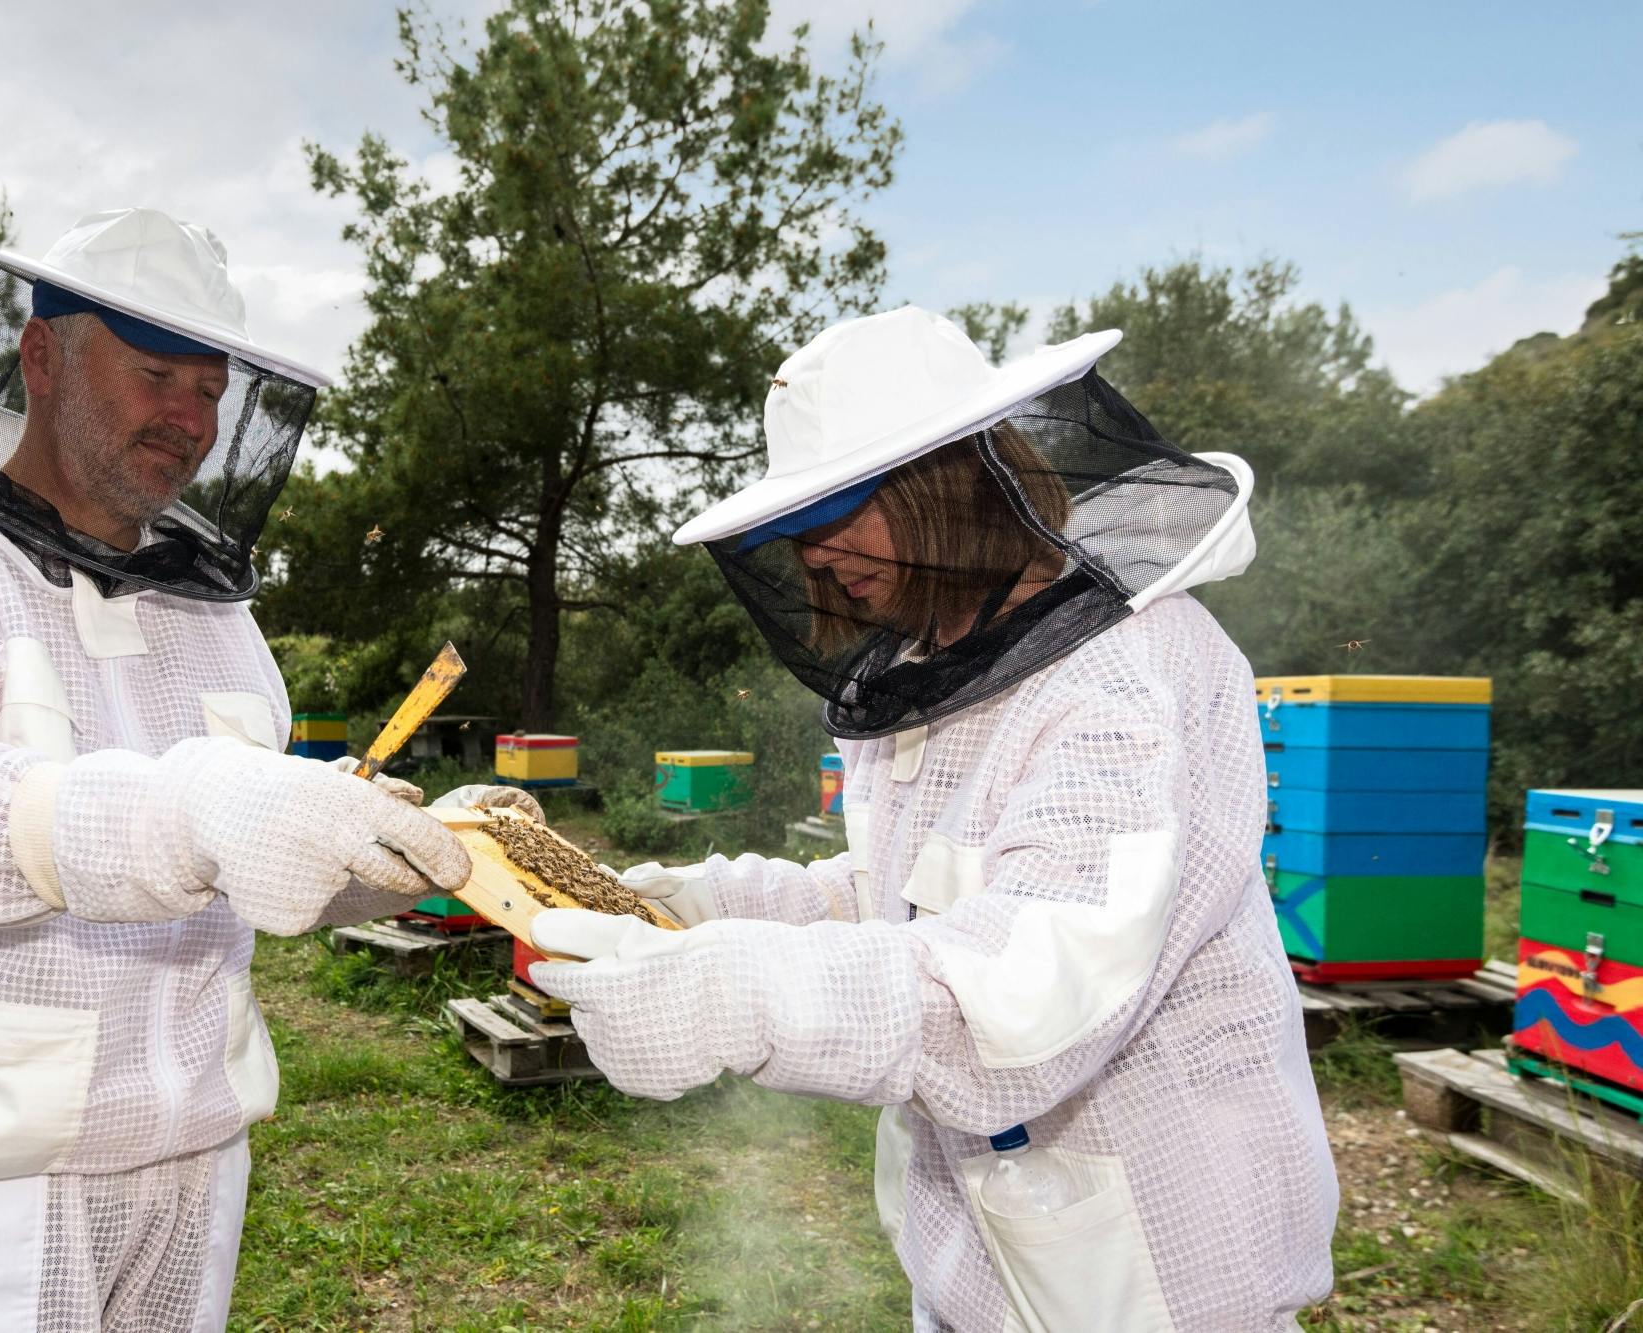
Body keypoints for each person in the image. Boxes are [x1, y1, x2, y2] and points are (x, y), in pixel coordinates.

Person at [0, 208, 531, 1331]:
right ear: (42, 356)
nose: (190, 418)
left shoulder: (217, 622)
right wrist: (199, 810)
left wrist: (400, 853)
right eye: (155, 375)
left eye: (212, 391)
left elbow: (249, 860)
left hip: (193, 1160)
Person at [530, 306, 1338, 1330]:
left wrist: (741, 992)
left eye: (843, 506)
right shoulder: (920, 669)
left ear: (956, 477)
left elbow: (1031, 988)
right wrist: (691, 904)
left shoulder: (1127, 674)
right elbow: (888, 898)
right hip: (976, 1257)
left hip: (1156, 1277)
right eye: (791, 526)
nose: (814, 555)